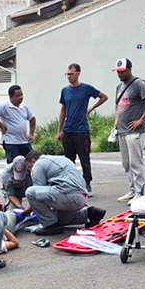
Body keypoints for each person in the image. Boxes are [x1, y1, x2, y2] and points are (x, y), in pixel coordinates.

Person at [24, 151, 106, 236]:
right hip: (81, 197)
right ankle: (90, 213)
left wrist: (28, 210)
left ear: (33, 161)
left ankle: (51, 226)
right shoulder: (59, 159)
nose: (31, 170)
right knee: (57, 219)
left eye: (30, 167)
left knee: (30, 192)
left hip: (68, 196)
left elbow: (37, 192)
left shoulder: (38, 164)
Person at [56, 63, 108, 194]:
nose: (69, 76)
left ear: (78, 74)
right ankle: (71, 183)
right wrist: (59, 130)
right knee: (68, 160)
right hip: (68, 130)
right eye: (67, 74)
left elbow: (104, 97)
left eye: (71, 74)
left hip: (82, 131)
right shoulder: (65, 90)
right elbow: (63, 110)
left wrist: (91, 108)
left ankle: (87, 183)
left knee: (84, 158)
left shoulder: (86, 89)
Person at [113, 58, 145, 204]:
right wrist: (116, 121)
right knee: (126, 163)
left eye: (122, 71)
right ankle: (132, 190)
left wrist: (141, 119)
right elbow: (117, 105)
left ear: (129, 70)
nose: (120, 74)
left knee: (135, 162)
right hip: (122, 130)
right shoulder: (119, 86)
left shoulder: (139, 84)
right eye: (118, 72)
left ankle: (139, 191)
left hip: (135, 131)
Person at [0, 85, 36, 163]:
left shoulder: (24, 107)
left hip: (24, 141)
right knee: (13, 164)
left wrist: (31, 134)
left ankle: (28, 175)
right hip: (11, 142)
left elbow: (32, 118)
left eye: (21, 94)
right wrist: (1, 126)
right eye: (17, 96)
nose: (20, 97)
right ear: (11, 96)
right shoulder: (4, 106)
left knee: (31, 161)